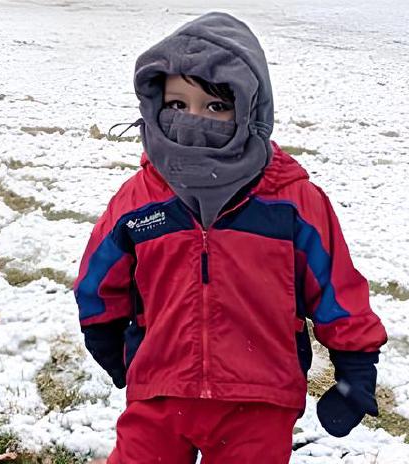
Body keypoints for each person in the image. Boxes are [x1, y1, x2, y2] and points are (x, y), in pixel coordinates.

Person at [73, 12, 387, 463]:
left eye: (216, 107)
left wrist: (355, 365)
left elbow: (337, 288)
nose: (193, 119)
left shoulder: (292, 202)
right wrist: (104, 334)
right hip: (161, 390)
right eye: (178, 105)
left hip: (259, 400)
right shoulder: (140, 199)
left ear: (250, 111)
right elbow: (100, 278)